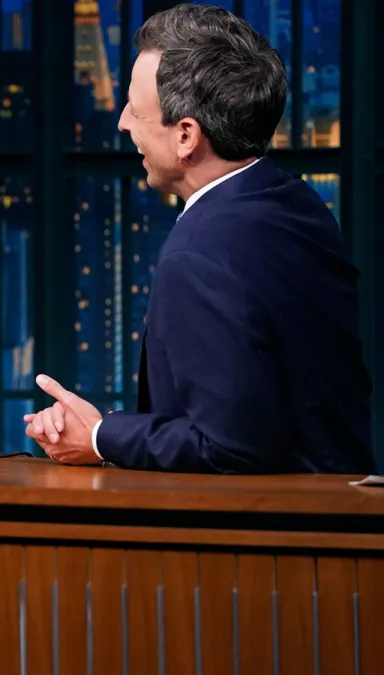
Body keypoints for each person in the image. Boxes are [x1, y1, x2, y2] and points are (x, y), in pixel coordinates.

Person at [24, 4, 374, 475]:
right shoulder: (296, 204)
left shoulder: (200, 254)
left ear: (186, 135)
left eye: (135, 108)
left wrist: (99, 436)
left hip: (264, 538)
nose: (123, 122)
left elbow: (230, 446)